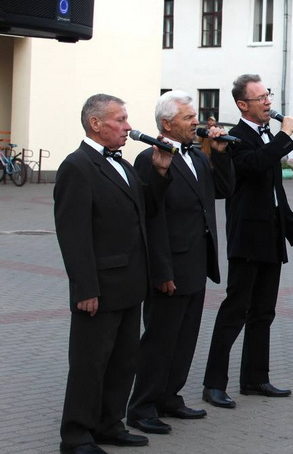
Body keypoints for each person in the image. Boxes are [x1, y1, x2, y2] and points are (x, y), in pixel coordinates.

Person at [55, 94, 173, 454]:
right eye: (120, 120)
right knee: (90, 365)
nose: (128, 126)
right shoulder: (77, 166)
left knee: (123, 362)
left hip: (129, 283)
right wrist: (84, 288)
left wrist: (161, 171)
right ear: (96, 124)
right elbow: (73, 235)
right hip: (100, 288)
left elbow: (145, 212)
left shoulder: (122, 164)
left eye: (126, 119)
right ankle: (76, 437)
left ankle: (109, 424)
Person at [202, 74, 293, 408]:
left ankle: (255, 378)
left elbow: (274, 191)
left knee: (264, 313)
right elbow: (253, 167)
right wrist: (284, 137)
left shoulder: (266, 138)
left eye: (268, 96)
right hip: (247, 238)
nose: (268, 102)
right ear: (242, 105)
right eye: (261, 98)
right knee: (234, 311)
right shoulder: (234, 138)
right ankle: (213, 383)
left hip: (269, 239)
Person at [126, 92, 234, 434]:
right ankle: (142, 407)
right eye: (189, 118)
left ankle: (170, 397)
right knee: (160, 339)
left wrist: (220, 156)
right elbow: (151, 217)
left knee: (185, 337)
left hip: (196, 262)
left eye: (195, 116)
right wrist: (161, 270)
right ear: (167, 124)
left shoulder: (198, 157)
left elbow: (224, 190)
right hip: (170, 265)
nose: (196, 123)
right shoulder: (150, 158)